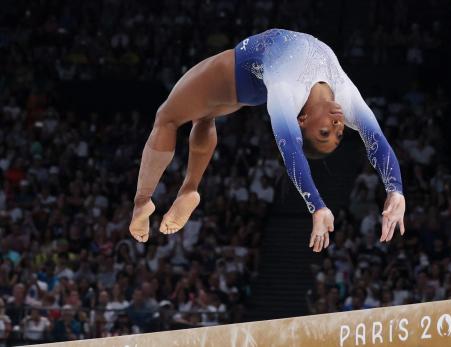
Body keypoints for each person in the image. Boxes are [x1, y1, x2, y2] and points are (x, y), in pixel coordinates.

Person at [129, 29, 406, 252]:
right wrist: (396, 191)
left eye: (324, 134)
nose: (336, 126)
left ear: (303, 121)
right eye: (338, 132)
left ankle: (143, 201)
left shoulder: (288, 92)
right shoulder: (344, 96)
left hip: (237, 72)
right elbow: (376, 141)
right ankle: (188, 189)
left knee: (166, 117)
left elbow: (291, 151)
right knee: (204, 115)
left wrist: (318, 206)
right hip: (255, 77)